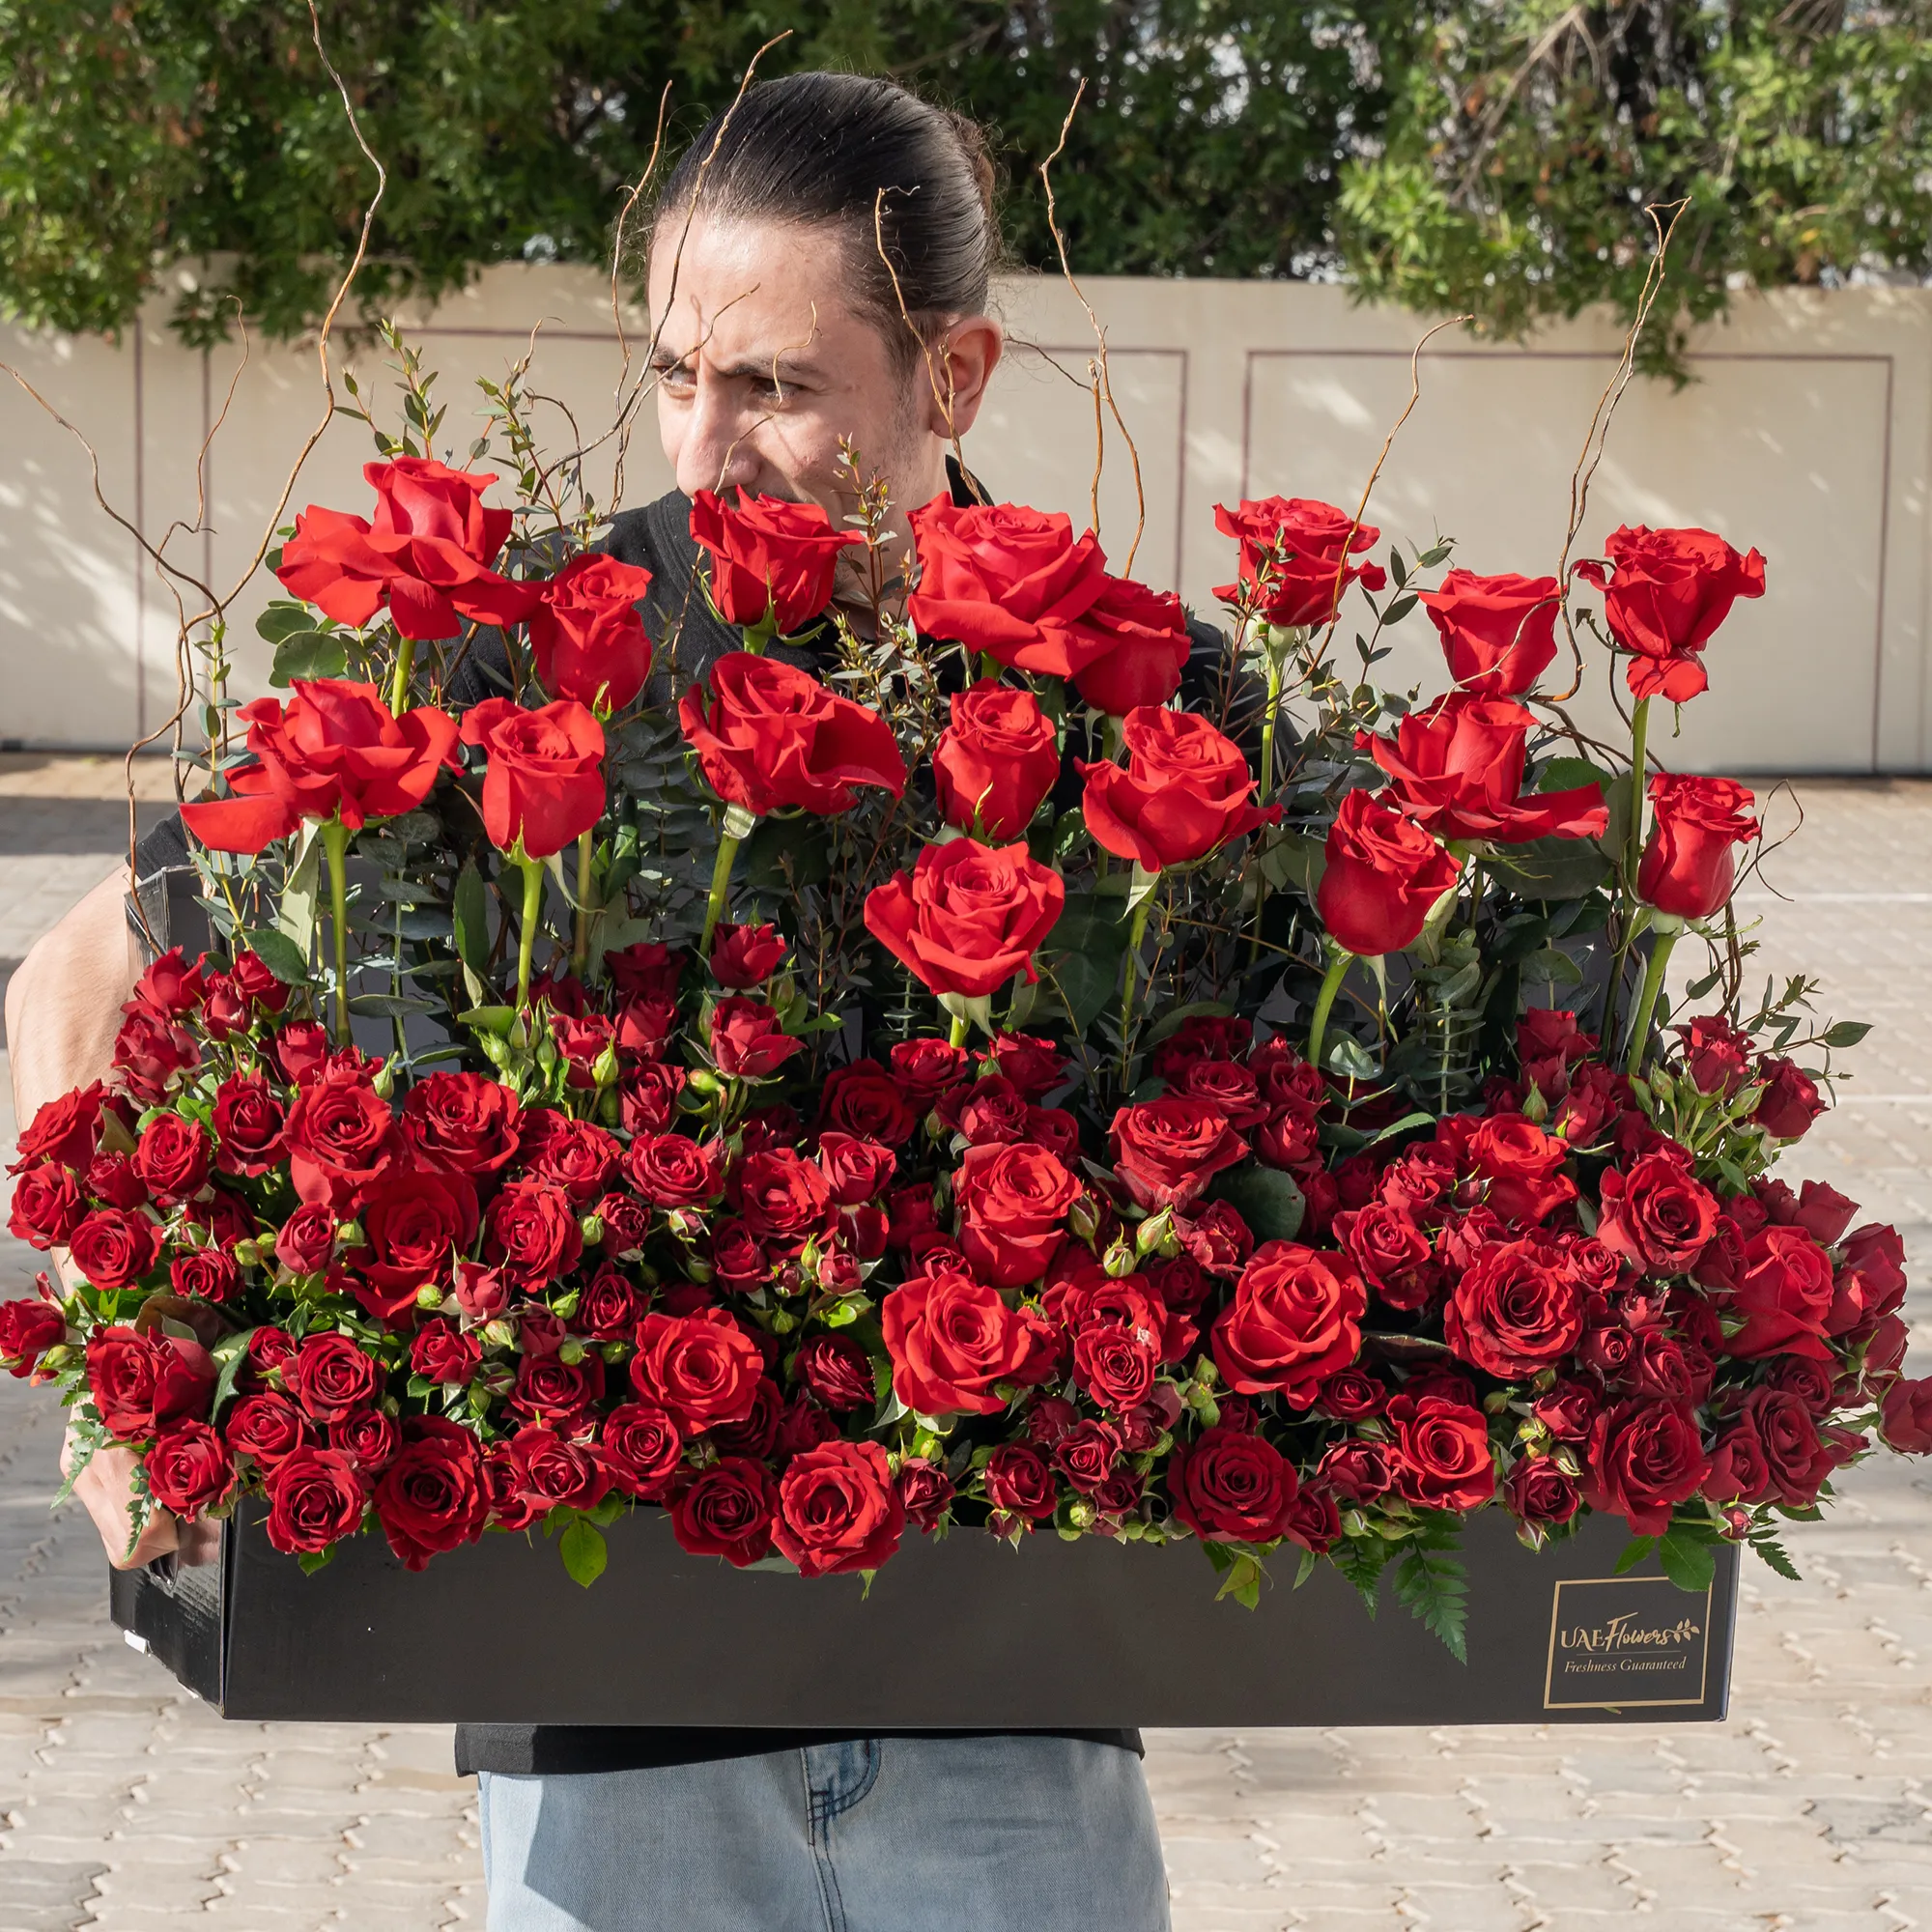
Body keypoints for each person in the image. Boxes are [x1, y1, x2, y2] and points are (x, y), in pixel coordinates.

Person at [6, 71, 1174, 1932]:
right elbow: (88, 959)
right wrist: (117, 1339)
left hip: (1012, 1728)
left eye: (777, 389)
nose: (706, 448)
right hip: (616, 1744)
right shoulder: (530, 648)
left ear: (953, 378)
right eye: (675, 374)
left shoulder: (1121, 689)